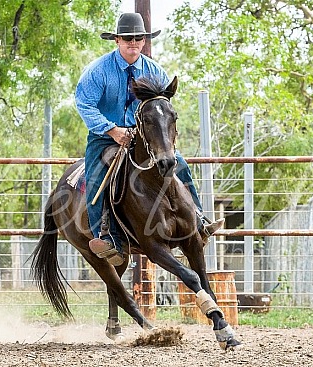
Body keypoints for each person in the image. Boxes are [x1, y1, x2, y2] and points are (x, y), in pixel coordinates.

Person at [75, 13, 224, 266]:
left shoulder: (154, 71)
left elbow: (163, 109)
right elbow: (84, 104)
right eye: (127, 38)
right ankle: (107, 236)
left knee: (180, 165)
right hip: (105, 136)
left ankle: (199, 220)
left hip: (145, 137)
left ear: (144, 41)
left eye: (138, 38)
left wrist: (161, 136)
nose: (133, 42)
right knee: (96, 175)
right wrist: (112, 130)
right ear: (117, 41)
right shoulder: (98, 71)